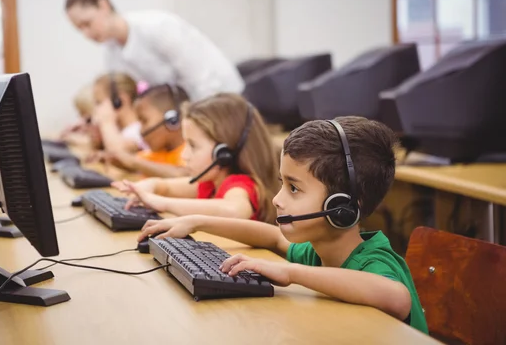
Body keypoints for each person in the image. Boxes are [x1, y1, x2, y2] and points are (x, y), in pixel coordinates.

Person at [137, 116, 429, 334]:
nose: (277, 200)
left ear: (342, 208)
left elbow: (396, 296)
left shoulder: (373, 263)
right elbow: (272, 237)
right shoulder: (318, 250)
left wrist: (291, 273)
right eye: (282, 183)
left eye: (294, 188)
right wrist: (197, 222)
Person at [65, 0, 244, 101]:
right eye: (79, 29)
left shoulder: (157, 26)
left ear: (103, 5)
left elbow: (202, 79)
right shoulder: (112, 54)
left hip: (223, 97)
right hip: (187, 111)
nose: (86, 34)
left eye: (87, 24)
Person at [112, 93, 280, 224]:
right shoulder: (210, 183)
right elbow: (165, 187)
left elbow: (234, 210)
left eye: (193, 146)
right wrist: (147, 187)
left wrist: (161, 203)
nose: (185, 155)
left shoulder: (240, 185)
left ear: (224, 153)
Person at [101, 84, 189, 178]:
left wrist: (132, 161)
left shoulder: (190, 152)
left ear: (172, 120)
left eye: (144, 121)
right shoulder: (157, 154)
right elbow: (138, 166)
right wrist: (113, 159)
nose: (141, 131)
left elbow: (185, 176)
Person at [91, 72, 146, 153]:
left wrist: (106, 122)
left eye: (99, 102)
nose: (97, 109)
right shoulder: (122, 133)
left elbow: (119, 153)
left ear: (118, 100)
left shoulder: (138, 131)